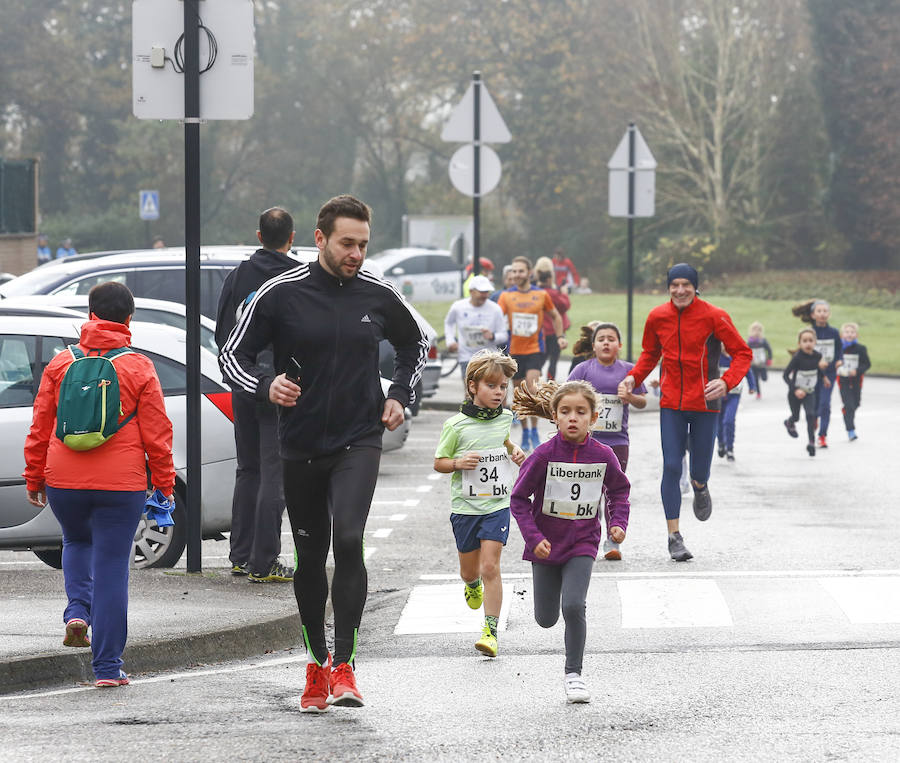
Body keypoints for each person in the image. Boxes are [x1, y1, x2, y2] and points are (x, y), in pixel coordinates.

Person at [219, 195, 427, 712]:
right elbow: (231, 354)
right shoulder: (280, 293)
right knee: (311, 554)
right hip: (301, 443)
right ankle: (316, 662)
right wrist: (267, 385)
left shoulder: (378, 294)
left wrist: (400, 394)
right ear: (319, 239)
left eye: (362, 244)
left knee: (350, 537)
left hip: (360, 436)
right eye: (347, 243)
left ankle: (347, 667)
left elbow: (415, 344)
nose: (356, 253)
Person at [23, 281, 175, 687]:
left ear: (90, 315)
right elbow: (158, 433)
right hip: (120, 484)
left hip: (64, 480)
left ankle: (76, 611)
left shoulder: (60, 363)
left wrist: (34, 475)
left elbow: (40, 425)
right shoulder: (139, 366)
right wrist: (163, 484)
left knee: (75, 541)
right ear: (129, 320)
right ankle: (107, 668)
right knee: (111, 567)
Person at [618, 263, 751, 562]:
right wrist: (633, 378)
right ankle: (674, 536)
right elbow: (650, 354)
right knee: (671, 467)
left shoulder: (714, 316)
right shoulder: (657, 316)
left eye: (686, 285)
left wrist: (726, 381)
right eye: (674, 285)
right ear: (668, 287)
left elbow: (743, 353)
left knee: (699, 469)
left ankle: (700, 486)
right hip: (671, 405)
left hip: (706, 403)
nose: (680, 290)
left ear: (695, 287)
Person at [510, 379, 630, 703]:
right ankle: (551, 616)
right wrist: (533, 538)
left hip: (583, 543)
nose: (573, 418)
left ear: (594, 417)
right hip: (545, 544)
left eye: (580, 412)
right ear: (555, 416)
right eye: (566, 412)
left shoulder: (603, 455)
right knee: (546, 618)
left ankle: (574, 675)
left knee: (574, 605)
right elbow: (518, 499)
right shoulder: (543, 455)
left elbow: (619, 490)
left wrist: (617, 524)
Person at [215, 207, 298, 584]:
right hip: (280, 387)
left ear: (258, 235)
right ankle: (264, 561)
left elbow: (222, 335)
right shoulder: (296, 277)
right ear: (291, 238)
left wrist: (241, 375)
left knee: (247, 469)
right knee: (274, 475)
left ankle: (240, 554)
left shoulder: (237, 276)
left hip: (242, 381)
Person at [433, 350, 526, 658]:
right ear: (472, 386)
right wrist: (458, 462)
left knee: (491, 566)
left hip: (497, 505)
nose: (499, 392)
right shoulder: (455, 426)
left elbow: (504, 441)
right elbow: (439, 463)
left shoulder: (505, 418)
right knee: (470, 571)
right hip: (465, 508)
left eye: (503, 386)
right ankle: (470, 584)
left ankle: (490, 631)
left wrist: (514, 450)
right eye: (491, 385)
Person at [567, 322, 646, 560]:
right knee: (589, 491)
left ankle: (613, 541)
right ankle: (585, 538)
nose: (606, 342)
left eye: (611, 339)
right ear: (593, 345)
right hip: (586, 442)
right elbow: (564, 396)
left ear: (619, 345)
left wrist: (630, 396)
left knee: (614, 491)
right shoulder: (583, 370)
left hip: (618, 442)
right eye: (601, 338)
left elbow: (643, 401)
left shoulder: (629, 371)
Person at [498, 256, 567, 452]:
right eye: (514, 271)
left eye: (520, 271)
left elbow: (555, 316)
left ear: (530, 273)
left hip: (535, 349)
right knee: (520, 395)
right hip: (515, 351)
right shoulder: (506, 296)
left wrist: (560, 335)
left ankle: (535, 430)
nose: (517, 274)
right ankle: (526, 431)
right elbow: (496, 316)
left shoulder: (541, 294)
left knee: (533, 389)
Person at [443, 275, 509, 379]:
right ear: (471, 291)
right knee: (470, 393)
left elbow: (504, 335)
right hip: (467, 357)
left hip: (490, 358)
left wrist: (492, 336)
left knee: (488, 392)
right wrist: (450, 341)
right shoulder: (458, 307)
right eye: (481, 292)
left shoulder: (495, 309)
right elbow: (449, 323)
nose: (484, 295)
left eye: (486, 292)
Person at [782, 327, 823, 456]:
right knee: (796, 416)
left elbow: (816, 369)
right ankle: (789, 422)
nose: (808, 343)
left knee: (811, 414)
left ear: (815, 342)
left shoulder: (817, 356)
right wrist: (795, 389)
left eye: (811, 340)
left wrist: (825, 377)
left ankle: (811, 442)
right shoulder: (797, 358)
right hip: (795, 392)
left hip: (809, 391)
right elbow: (785, 375)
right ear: (799, 343)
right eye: (804, 341)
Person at [715, 350, 757, 461]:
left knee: (728, 420)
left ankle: (730, 448)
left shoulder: (737, 358)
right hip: (719, 395)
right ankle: (721, 443)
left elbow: (747, 370)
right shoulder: (716, 357)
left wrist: (752, 386)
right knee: (719, 420)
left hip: (734, 395)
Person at [534, 257, 570, 381]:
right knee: (553, 361)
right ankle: (550, 384)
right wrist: (564, 293)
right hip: (555, 331)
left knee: (540, 361)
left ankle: (533, 382)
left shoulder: (535, 292)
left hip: (541, 330)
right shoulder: (553, 294)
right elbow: (565, 306)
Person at [836, 322, 871, 441]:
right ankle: (850, 430)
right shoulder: (839, 349)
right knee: (849, 405)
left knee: (856, 403)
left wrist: (857, 371)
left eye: (852, 332)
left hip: (856, 380)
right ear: (842, 335)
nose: (849, 334)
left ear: (856, 335)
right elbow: (833, 363)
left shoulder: (860, 349)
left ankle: (846, 410)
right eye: (847, 332)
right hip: (843, 380)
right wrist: (838, 365)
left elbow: (867, 364)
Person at [746, 321, 772, 399]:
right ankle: (758, 393)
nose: (756, 332)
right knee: (755, 378)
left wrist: (769, 359)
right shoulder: (750, 342)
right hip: (753, 363)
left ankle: (763, 374)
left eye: (758, 330)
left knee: (764, 378)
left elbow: (769, 349)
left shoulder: (763, 341)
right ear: (751, 331)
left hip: (762, 362)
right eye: (754, 330)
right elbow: (746, 351)